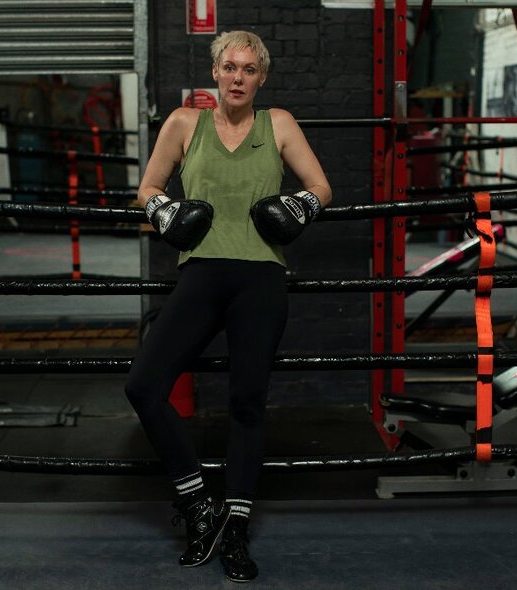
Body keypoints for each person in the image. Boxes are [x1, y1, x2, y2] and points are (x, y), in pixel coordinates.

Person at [125, 30, 331, 583]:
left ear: (261, 78)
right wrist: (165, 211)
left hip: (262, 277)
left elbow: (322, 186)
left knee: (247, 402)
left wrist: (299, 204)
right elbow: (147, 188)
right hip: (202, 273)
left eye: (249, 70)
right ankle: (198, 507)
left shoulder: (279, 124)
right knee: (143, 386)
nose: (238, 78)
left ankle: (235, 527)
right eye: (229, 67)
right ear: (214, 73)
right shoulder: (183, 124)